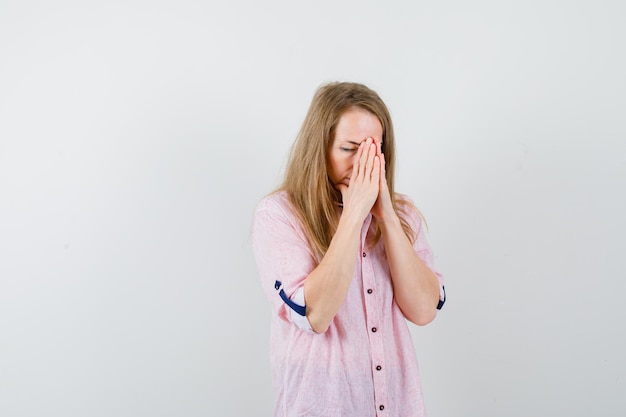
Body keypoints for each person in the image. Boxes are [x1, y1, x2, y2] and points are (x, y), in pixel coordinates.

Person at [252, 82, 446, 417]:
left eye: (373, 151)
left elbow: (425, 310)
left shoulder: (403, 216)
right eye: (349, 149)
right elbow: (314, 315)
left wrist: (386, 216)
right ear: (320, 148)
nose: (363, 165)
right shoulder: (278, 215)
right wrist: (354, 213)